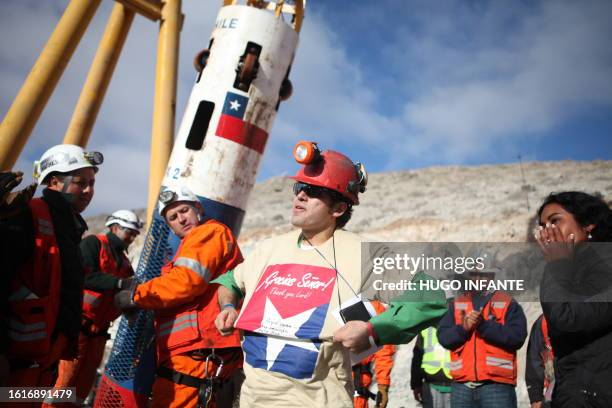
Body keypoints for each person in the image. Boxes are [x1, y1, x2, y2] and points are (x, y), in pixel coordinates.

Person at [214, 142, 446, 407]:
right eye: (299, 188)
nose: (300, 196)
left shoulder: (364, 253)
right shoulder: (268, 249)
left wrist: (374, 331)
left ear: (338, 209)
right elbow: (229, 281)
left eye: (312, 192)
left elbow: (430, 297)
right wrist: (229, 305)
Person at [115, 185, 243, 408]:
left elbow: (186, 282)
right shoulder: (190, 245)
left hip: (197, 356)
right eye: (173, 217)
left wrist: (136, 295)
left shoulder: (209, 233)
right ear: (170, 227)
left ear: (198, 208)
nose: (181, 219)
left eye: (184, 210)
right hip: (193, 354)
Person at [3, 144, 102, 390]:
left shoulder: (69, 228)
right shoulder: (28, 214)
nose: (89, 190)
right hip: (14, 364)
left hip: (43, 363)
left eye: (92, 183)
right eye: (81, 182)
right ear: (55, 181)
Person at [45, 210, 143, 405]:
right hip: (79, 327)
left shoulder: (124, 262)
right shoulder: (94, 244)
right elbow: (85, 276)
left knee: (83, 386)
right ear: (115, 227)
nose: (131, 237)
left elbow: (124, 292)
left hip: (98, 333)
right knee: (64, 381)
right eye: (129, 232)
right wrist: (120, 284)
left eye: (134, 234)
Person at [534, 191, 612, 407]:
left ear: (588, 224)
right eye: (542, 226)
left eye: (555, 221)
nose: (547, 231)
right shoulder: (573, 269)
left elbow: (567, 316)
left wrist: (556, 264)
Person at [437, 251, 527, 408]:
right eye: (474, 275)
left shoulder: (507, 303)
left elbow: (517, 337)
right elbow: (444, 337)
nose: (478, 280)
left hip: (496, 387)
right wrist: (463, 329)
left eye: (483, 275)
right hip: (462, 387)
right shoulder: (457, 304)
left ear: (492, 275)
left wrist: (484, 326)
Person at [353, 301, 395, 408]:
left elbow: (383, 349)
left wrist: (383, 385)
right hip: (326, 382)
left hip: (358, 386)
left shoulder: (372, 306)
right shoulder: (321, 298)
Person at [410, 326, 452, 408]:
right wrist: (416, 384)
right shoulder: (424, 328)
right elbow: (417, 357)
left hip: (457, 387)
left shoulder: (460, 322)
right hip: (430, 386)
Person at [525, 314, 553, 408]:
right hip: (553, 390)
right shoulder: (542, 324)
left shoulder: (590, 313)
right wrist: (536, 398)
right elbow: (534, 361)